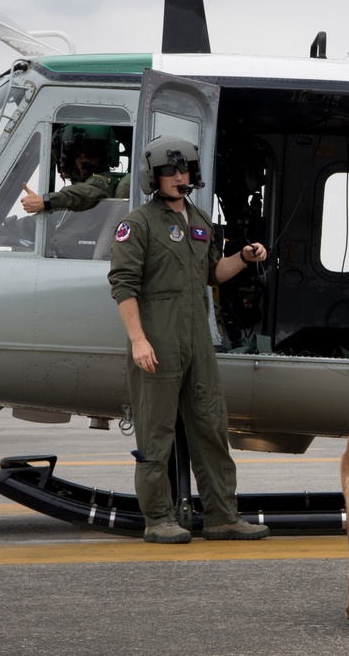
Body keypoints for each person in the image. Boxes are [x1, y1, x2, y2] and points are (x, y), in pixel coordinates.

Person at [107, 135, 270, 544]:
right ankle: (158, 518)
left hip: (198, 339)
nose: (180, 177)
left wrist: (245, 258)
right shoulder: (138, 224)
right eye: (170, 172)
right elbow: (123, 286)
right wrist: (138, 340)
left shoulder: (199, 221)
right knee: (156, 432)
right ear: (153, 177)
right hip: (157, 339)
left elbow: (214, 273)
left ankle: (221, 516)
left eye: (184, 171)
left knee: (211, 427)